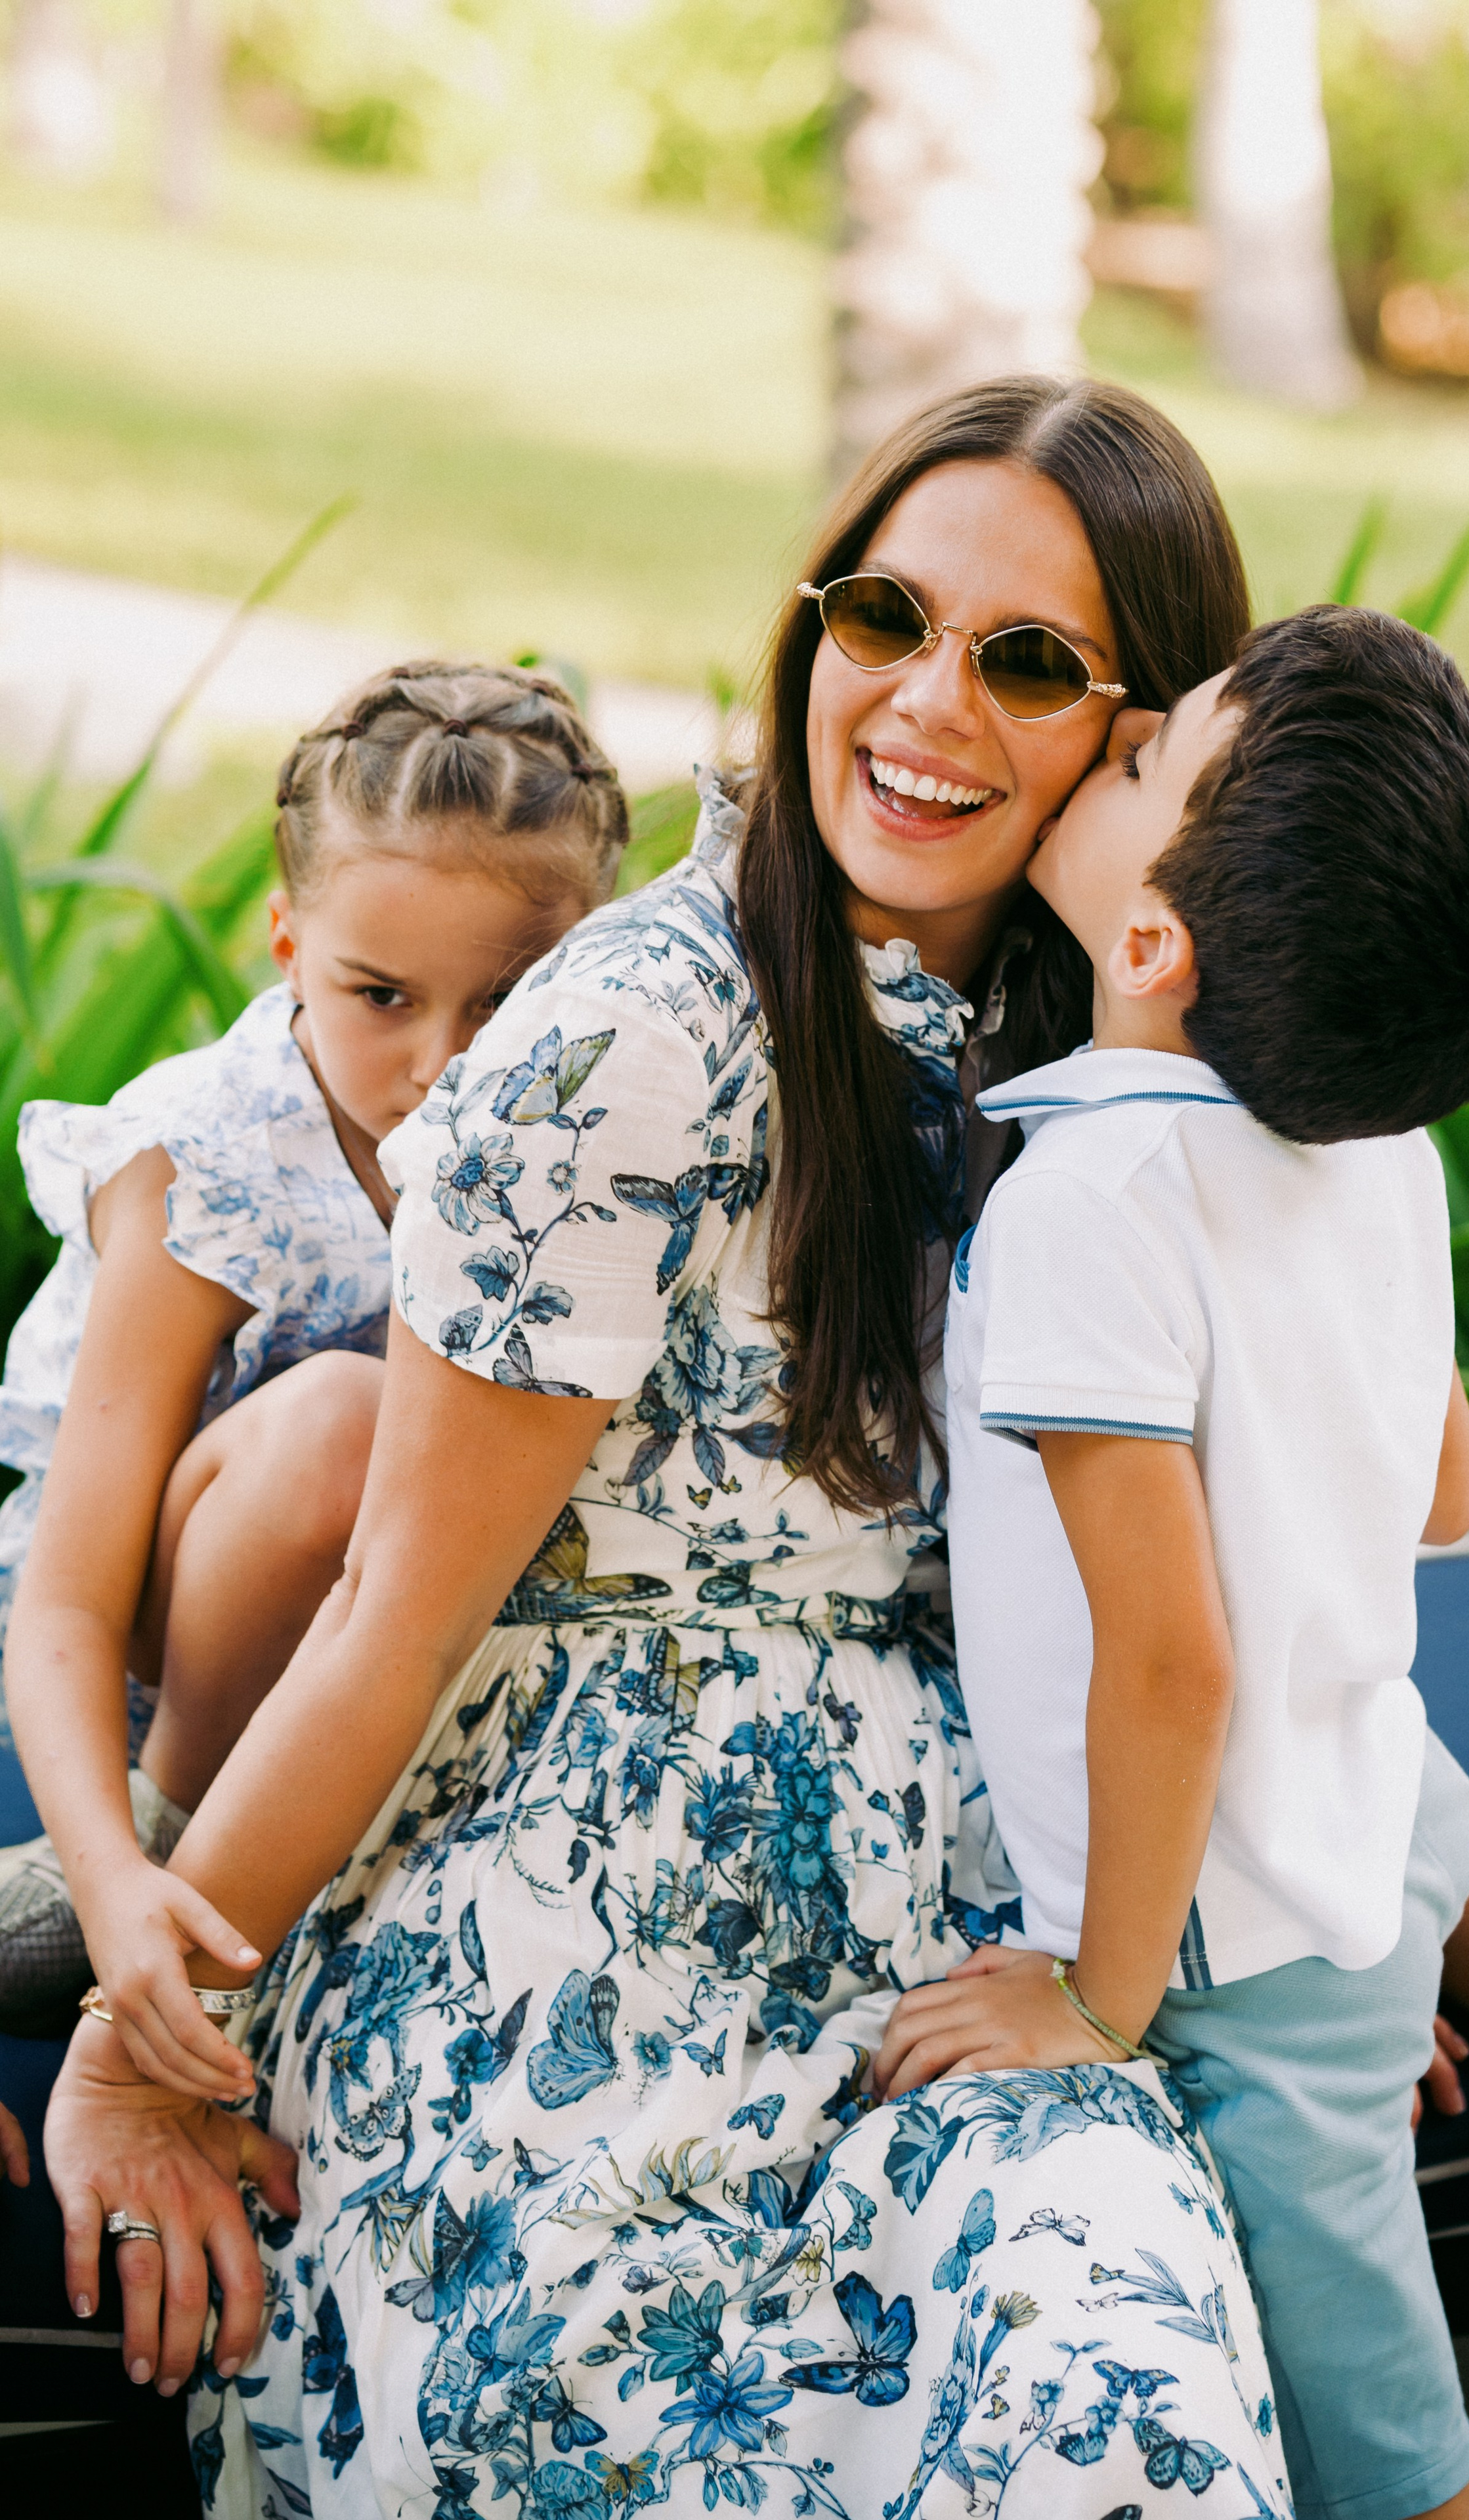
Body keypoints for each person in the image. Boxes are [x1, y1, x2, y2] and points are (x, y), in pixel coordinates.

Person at [47, 379, 1300, 2519]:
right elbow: (392, 1609)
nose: (927, 704)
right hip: (569, 1954)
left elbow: (1375, 1499)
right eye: (886, 618)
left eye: (1027, 662)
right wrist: (134, 2055)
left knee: (1128, 2419)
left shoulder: (1096, 1035)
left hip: (958, 1971)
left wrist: (1234, 1045)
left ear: (1144, 732)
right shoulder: (641, 1033)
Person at [873, 606, 1469, 2520]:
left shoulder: (1091, 1200)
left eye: (1140, 760)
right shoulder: (1383, 1144)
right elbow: (1439, 1491)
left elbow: (1172, 1662)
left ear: (1149, 945)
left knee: (1386, 2446)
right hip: (1376, 1792)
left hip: (1233, 1941)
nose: (1112, 729)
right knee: (1412, 1822)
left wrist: (1094, 2003)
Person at [0, 663, 627, 2082]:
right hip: (164, 1661)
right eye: (380, 995)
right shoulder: (213, 1162)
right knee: (351, 1417)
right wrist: (106, 1870)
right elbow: (70, 1595)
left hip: (394, 1652)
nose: (442, 1063)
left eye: (505, 1002)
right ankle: (169, 1838)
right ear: (288, 945)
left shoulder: (585, 1136)